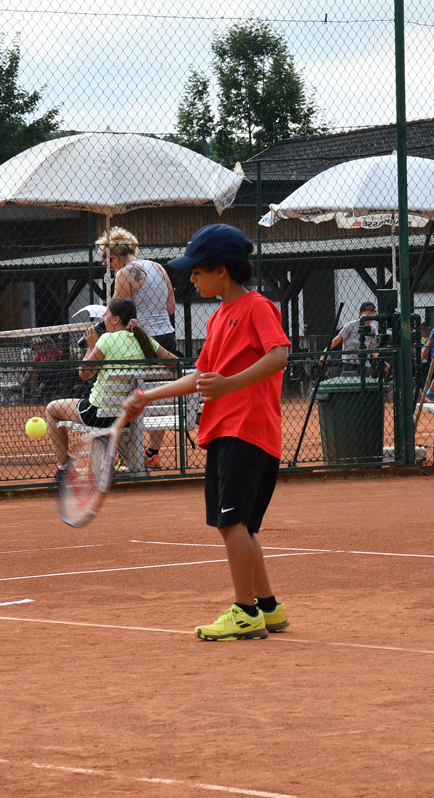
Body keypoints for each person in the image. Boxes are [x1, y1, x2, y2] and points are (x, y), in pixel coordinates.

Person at [122, 224, 292, 641]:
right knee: (241, 525)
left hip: (246, 431)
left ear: (221, 270)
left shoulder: (257, 307)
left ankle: (245, 613)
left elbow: (279, 355)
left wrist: (231, 384)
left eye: (198, 271)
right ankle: (268, 607)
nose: (193, 279)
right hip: (227, 432)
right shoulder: (218, 318)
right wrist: (146, 395)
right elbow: (200, 376)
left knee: (231, 523)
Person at [43, 297, 176, 471]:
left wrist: (91, 346)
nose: (102, 318)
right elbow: (176, 364)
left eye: (106, 315)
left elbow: (84, 374)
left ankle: (63, 467)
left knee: (51, 409)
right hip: (130, 416)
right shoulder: (145, 340)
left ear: (116, 319)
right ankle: (109, 460)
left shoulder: (106, 339)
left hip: (99, 414)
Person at [99, 226, 180, 468]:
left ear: (114, 258)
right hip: (166, 337)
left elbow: (121, 316)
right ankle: (152, 453)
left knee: (126, 391)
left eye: (109, 264)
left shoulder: (124, 274)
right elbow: (171, 307)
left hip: (141, 340)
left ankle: (124, 451)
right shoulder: (159, 267)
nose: (111, 269)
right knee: (158, 394)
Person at [330, 302, 379, 374]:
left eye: (372, 316)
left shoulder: (372, 329)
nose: (369, 319)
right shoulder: (351, 325)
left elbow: (371, 348)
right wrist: (324, 354)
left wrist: (382, 361)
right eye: (367, 315)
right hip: (348, 362)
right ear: (360, 314)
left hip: (364, 363)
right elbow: (336, 340)